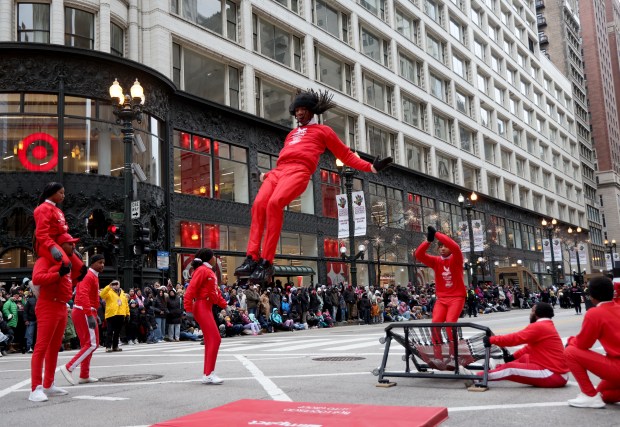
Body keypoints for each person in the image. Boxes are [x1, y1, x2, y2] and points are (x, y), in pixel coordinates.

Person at [234, 89, 392, 281]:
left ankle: (266, 262)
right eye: (296, 110)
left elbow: (346, 155)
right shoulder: (292, 134)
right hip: (279, 172)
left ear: (312, 111)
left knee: (274, 203)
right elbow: (285, 160)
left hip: (299, 171)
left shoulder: (324, 131)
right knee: (259, 205)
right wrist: (263, 176)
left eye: (303, 109)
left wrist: (371, 168)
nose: (299, 113)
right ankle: (251, 257)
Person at [465, 302, 568, 388]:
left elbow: (515, 338)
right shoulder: (546, 325)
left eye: (532, 310)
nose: (530, 313)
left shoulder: (539, 326)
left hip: (552, 374)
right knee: (524, 358)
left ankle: (477, 377)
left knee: (511, 368)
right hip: (555, 371)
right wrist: (513, 357)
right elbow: (529, 348)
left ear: (537, 313)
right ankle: (497, 368)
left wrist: (492, 340)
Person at [29, 233, 80, 402]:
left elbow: (68, 281)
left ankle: (48, 384)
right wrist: (58, 273)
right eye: (69, 244)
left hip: (60, 306)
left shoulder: (63, 262)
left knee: (54, 347)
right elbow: (37, 278)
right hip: (48, 305)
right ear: (60, 245)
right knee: (41, 347)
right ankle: (35, 388)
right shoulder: (44, 260)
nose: (73, 246)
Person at [564, 277, 620, 408]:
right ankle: (593, 396)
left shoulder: (595, 313)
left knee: (570, 352)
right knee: (602, 395)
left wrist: (570, 341)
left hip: (617, 367)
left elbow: (583, 344)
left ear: (591, 296)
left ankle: (589, 395)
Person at [415, 226, 466, 361]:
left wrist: (437, 233)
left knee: (450, 325)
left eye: (445, 246)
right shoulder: (436, 261)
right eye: (440, 246)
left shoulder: (457, 258)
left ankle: (453, 355)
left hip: (456, 298)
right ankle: (438, 356)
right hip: (442, 299)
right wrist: (429, 240)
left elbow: (454, 246)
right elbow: (418, 255)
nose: (442, 248)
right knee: (435, 325)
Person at [184, 248, 228, 385]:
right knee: (215, 339)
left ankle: (208, 373)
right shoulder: (203, 271)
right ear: (209, 258)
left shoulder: (208, 271)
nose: (215, 259)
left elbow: (216, 293)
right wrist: (188, 309)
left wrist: (225, 306)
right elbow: (190, 290)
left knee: (211, 340)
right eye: (214, 256)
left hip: (207, 307)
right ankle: (209, 374)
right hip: (202, 306)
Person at [60, 254, 105, 385]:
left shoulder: (92, 275)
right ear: (92, 263)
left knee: (89, 344)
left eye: (103, 262)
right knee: (91, 344)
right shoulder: (89, 275)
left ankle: (84, 375)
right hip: (83, 311)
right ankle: (68, 367)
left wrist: (93, 312)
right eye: (100, 262)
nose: (102, 265)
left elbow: (88, 296)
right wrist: (90, 314)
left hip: (85, 311)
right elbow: (83, 295)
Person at [33, 182, 86, 280]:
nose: (63, 196)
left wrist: (72, 248)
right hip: (46, 245)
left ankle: (69, 290)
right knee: (65, 264)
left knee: (81, 269)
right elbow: (41, 233)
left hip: (58, 244)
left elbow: (64, 233)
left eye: (63, 193)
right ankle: (42, 284)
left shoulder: (58, 210)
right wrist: (51, 248)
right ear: (52, 192)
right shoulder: (43, 209)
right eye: (61, 193)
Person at [99, 280, 129, 352]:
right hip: (111, 314)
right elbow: (101, 295)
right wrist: (109, 286)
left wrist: (127, 313)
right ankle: (108, 346)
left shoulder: (122, 293)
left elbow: (125, 304)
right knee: (110, 331)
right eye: (114, 284)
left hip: (120, 314)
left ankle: (115, 346)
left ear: (119, 285)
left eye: (117, 284)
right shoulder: (108, 292)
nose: (116, 285)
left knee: (117, 332)